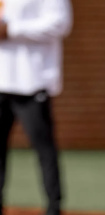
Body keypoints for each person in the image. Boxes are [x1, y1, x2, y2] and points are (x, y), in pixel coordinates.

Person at [0, 0, 73, 215]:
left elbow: (60, 23)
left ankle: (54, 207)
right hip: (1, 83)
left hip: (31, 82)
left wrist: (12, 30)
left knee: (44, 149)